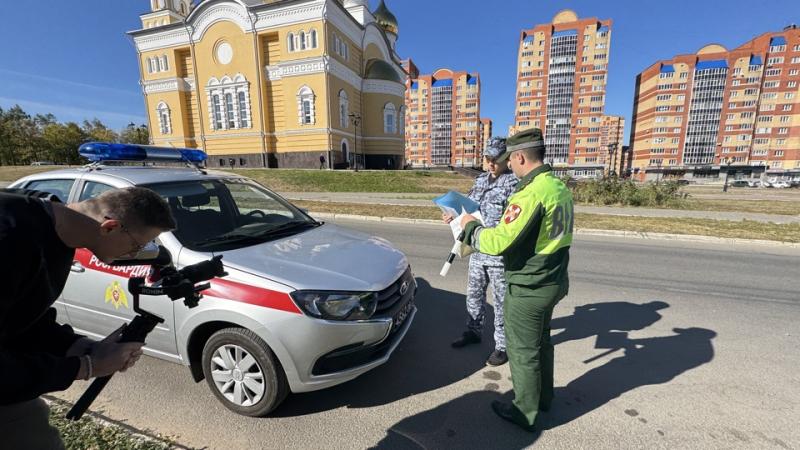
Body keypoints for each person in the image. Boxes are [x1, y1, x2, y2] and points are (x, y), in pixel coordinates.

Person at [0, 186, 177, 448]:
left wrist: (84, 348)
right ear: (110, 227)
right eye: (137, 245)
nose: (134, 254)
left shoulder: (56, 227)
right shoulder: (11, 240)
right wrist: (87, 366)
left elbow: (21, 321)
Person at [460, 128, 574, 431]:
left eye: (511, 160)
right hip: (553, 280)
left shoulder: (530, 193)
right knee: (542, 344)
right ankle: (543, 398)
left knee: (523, 353)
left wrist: (470, 228)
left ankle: (525, 412)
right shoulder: (557, 186)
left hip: (529, 285)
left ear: (520, 157)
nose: (509, 165)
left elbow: (498, 242)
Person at [443, 137, 517, 366]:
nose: (491, 163)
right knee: (474, 296)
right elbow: (468, 208)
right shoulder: (481, 180)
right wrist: (452, 216)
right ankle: (473, 331)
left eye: (496, 159)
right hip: (476, 251)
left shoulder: (514, 184)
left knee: (501, 302)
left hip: (498, 256)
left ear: (507, 159)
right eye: (488, 158)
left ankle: (502, 346)